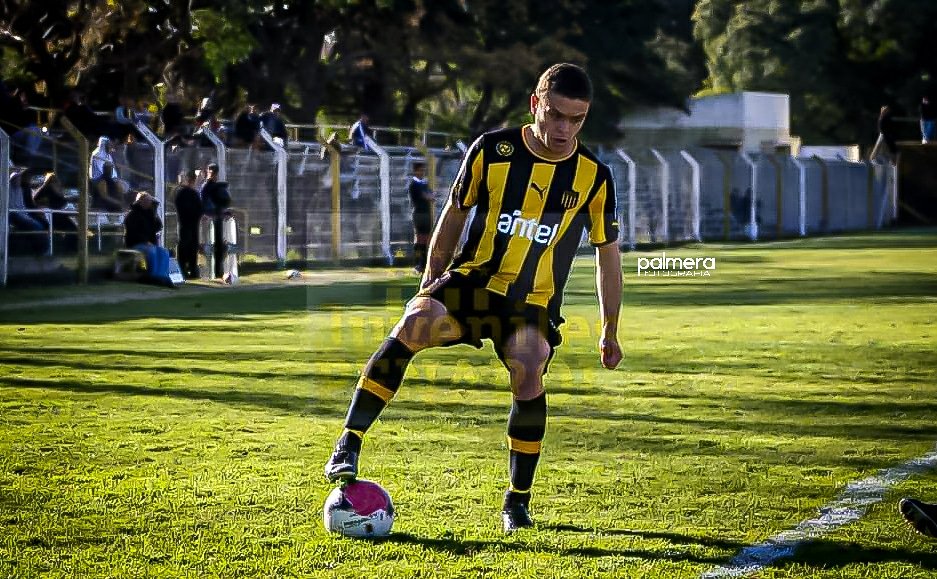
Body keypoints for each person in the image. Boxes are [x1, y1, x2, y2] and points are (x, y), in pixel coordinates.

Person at [323, 63, 623, 534]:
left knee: (530, 363)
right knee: (413, 323)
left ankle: (517, 502)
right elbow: (453, 214)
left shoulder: (594, 177)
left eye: (577, 119)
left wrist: (608, 329)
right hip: (473, 281)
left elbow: (608, 256)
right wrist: (428, 284)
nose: (566, 129)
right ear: (535, 104)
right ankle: (349, 441)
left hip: (530, 302)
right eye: (557, 115)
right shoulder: (492, 150)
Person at [123, 191, 173, 286]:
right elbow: (133, 233)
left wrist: (154, 212)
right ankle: (153, 277)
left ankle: (162, 276)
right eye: (147, 201)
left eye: (150, 201)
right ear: (140, 201)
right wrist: (145, 241)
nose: (149, 203)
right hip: (136, 244)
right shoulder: (132, 215)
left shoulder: (150, 214)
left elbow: (159, 226)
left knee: (164, 252)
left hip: (148, 244)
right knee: (152, 251)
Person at [199, 162, 232, 279]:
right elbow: (204, 203)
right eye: (209, 172)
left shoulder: (217, 187)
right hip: (209, 219)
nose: (211, 175)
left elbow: (223, 202)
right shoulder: (206, 186)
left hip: (217, 219)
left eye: (212, 172)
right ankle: (208, 271)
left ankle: (218, 271)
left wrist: (225, 212)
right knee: (209, 245)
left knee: (219, 245)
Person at [173, 169, 202, 279]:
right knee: (185, 246)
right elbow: (184, 208)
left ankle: (191, 269)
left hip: (191, 223)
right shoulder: (182, 193)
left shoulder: (192, 193)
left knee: (191, 246)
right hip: (185, 223)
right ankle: (184, 269)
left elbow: (199, 208)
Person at [89, 136, 128, 212]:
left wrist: (115, 179)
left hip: (109, 178)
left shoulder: (109, 155)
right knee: (105, 184)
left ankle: (121, 204)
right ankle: (115, 204)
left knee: (120, 185)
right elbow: (99, 170)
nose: (111, 147)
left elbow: (112, 170)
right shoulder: (97, 154)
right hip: (98, 178)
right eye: (109, 145)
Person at [408, 161, 434, 273]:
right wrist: (430, 196)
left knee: (427, 239)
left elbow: (432, 196)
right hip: (419, 214)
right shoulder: (414, 184)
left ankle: (424, 264)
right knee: (420, 239)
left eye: (424, 170)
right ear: (415, 171)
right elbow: (428, 196)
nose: (423, 172)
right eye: (420, 170)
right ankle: (418, 264)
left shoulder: (424, 184)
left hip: (427, 214)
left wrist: (430, 196)